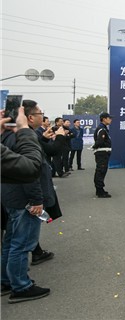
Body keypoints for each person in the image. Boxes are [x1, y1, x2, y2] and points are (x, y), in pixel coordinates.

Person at [1, 101, 51, 303]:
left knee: (10, 241)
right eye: (40, 113)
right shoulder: (22, 137)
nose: (42, 116)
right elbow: (30, 172)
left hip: (11, 197)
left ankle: (6, 281)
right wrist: (36, 200)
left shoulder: (6, 135)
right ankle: (21, 286)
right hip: (25, 200)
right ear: (29, 117)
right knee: (21, 244)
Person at [93, 112, 112, 198]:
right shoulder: (101, 129)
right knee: (101, 171)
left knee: (102, 171)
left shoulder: (103, 128)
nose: (110, 120)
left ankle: (100, 189)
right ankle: (100, 191)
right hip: (102, 153)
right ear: (104, 119)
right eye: (109, 118)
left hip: (103, 153)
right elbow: (100, 141)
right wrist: (94, 146)